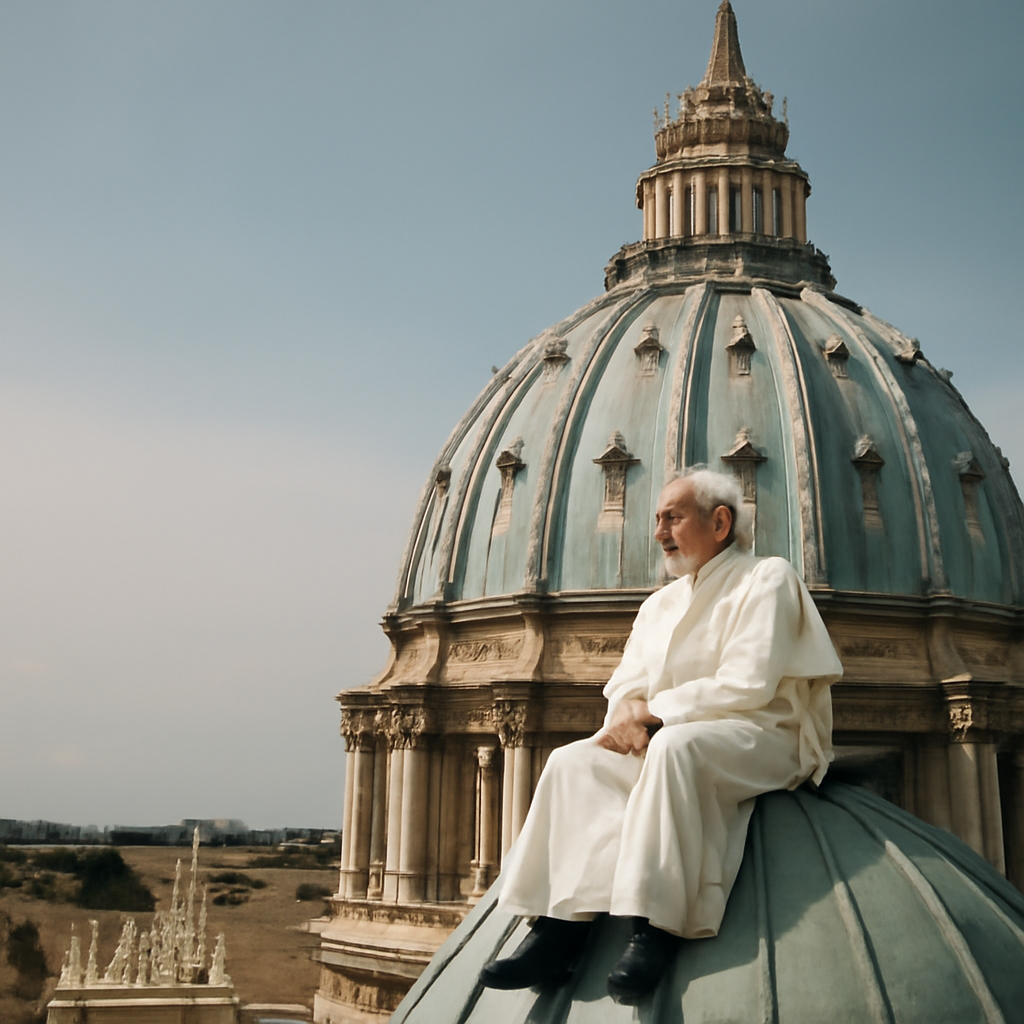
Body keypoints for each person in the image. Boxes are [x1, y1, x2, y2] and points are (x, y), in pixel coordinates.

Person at [479, 467, 843, 1004]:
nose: (658, 532)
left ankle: (654, 928)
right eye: (656, 519)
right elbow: (626, 682)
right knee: (571, 762)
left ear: (720, 522)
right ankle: (559, 929)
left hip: (766, 731)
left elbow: (749, 683)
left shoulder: (767, 578)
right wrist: (628, 711)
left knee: (676, 748)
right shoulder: (659, 604)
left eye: (672, 517)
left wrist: (653, 715)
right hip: (671, 732)